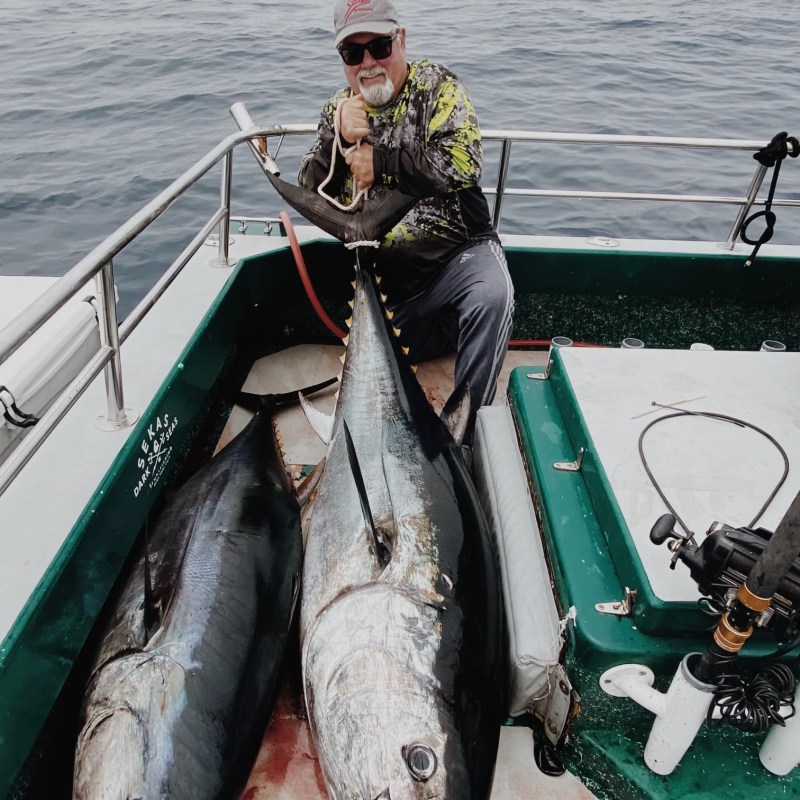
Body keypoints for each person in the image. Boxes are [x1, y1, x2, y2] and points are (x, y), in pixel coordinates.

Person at [299, 0, 514, 443]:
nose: (368, 63)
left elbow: (464, 162)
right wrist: (336, 139)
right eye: (353, 53)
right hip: (390, 287)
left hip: (457, 261)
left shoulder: (436, 86)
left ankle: (462, 435)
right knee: (379, 375)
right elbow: (310, 188)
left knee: (493, 296)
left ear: (401, 40)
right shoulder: (337, 109)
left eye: (379, 46)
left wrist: (380, 163)